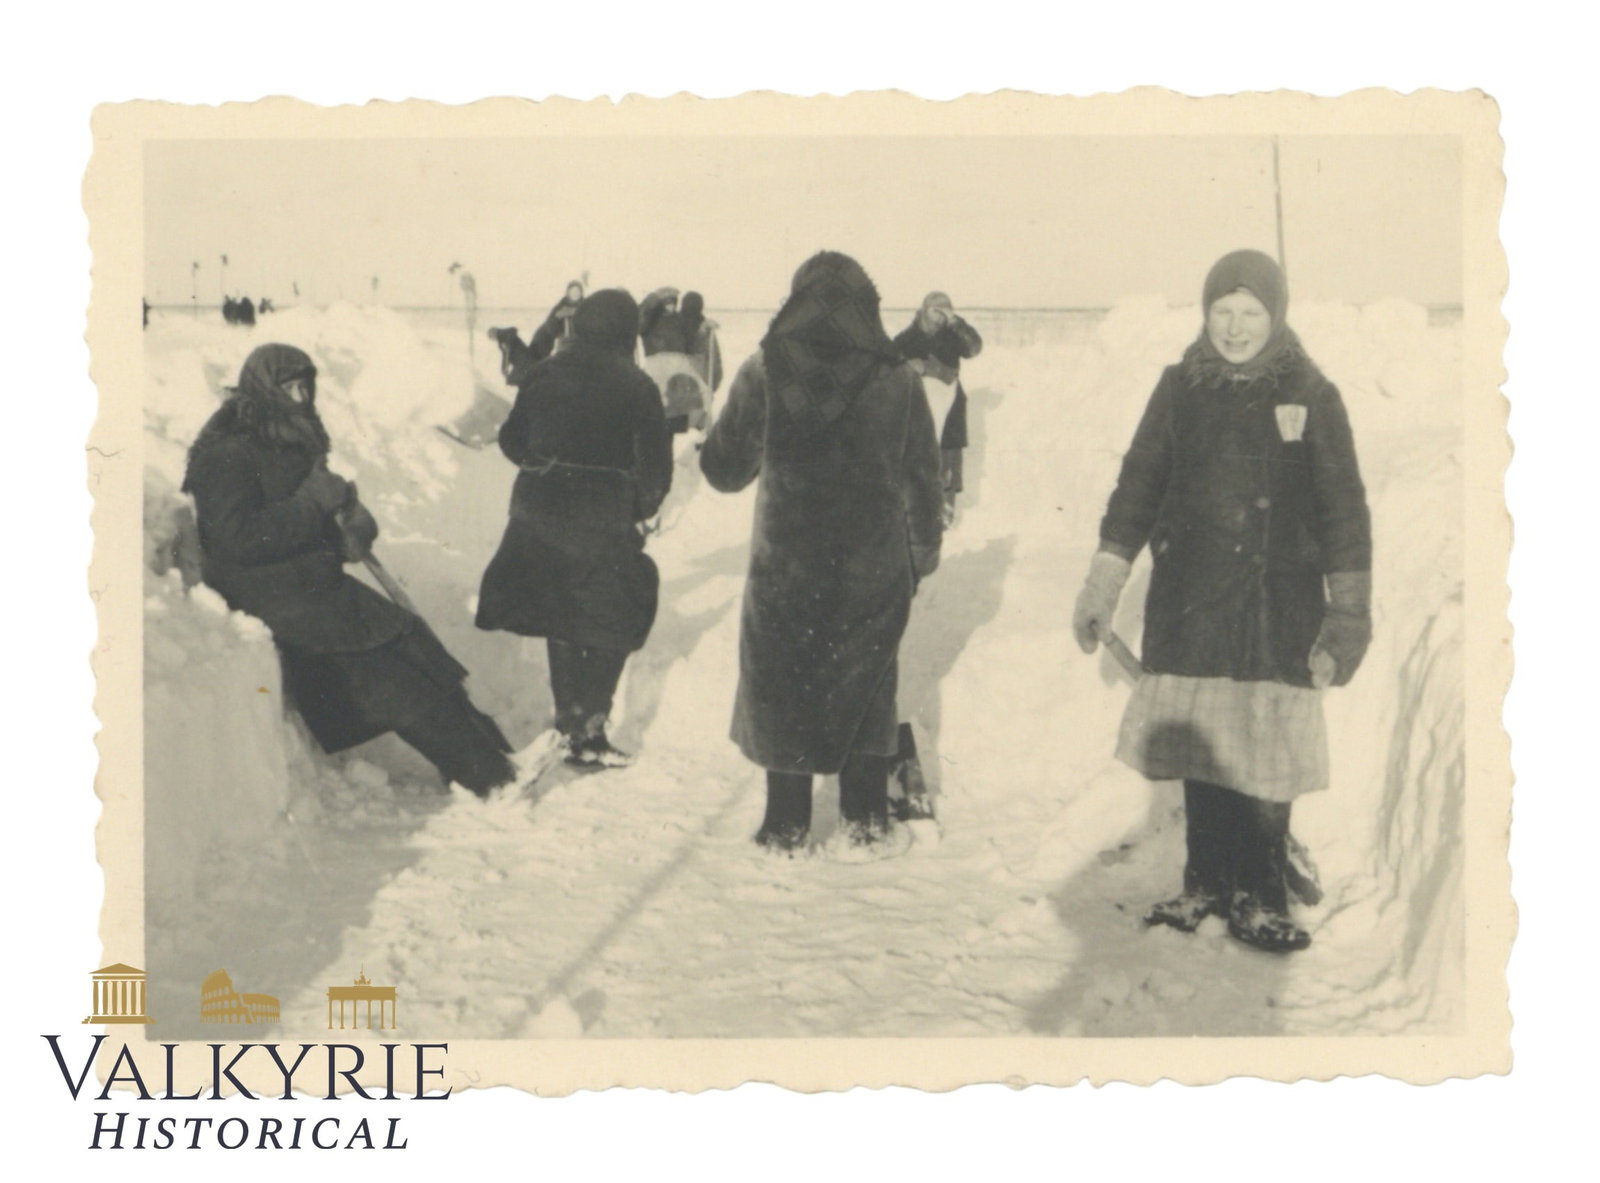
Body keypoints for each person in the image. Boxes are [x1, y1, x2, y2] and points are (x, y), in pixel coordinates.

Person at [1072, 249, 1372, 953]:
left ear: (1277, 315)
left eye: (1251, 315)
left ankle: (1261, 895)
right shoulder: (1179, 387)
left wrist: (1349, 612)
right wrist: (1103, 581)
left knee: (1266, 753)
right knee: (1203, 750)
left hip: (1277, 605)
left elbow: (1344, 510)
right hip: (1191, 602)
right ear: (1205, 313)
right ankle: (1205, 882)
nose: (1236, 329)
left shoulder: (1310, 390)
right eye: (1223, 313)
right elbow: (1137, 488)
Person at [183, 344, 521, 798]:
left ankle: (498, 756)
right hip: (276, 598)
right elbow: (235, 538)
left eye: (307, 385)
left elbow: (312, 508)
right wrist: (311, 507)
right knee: (394, 686)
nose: (302, 397)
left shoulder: (293, 435)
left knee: (417, 647)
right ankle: (491, 780)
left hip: (314, 585)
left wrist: (348, 520)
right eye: (290, 387)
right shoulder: (226, 453)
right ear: (263, 389)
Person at [700, 251, 944, 855]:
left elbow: (725, 471)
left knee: (783, 682)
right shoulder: (900, 379)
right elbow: (923, 484)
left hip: (785, 568)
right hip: (872, 567)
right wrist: (918, 559)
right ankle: (864, 824)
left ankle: (785, 826)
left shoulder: (764, 369)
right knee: (865, 681)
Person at [477, 289, 673, 767]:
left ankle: (569, 722)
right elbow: (656, 473)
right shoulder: (638, 385)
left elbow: (510, 440)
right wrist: (636, 507)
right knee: (614, 619)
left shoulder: (544, 373)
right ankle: (589, 729)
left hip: (539, 516)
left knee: (559, 615)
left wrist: (543, 467)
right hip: (603, 519)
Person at [892, 292, 983, 525]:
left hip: (950, 407)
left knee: (947, 457)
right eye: (936, 310)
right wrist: (910, 367)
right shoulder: (906, 340)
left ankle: (944, 510)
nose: (941, 315)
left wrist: (956, 322)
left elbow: (974, 348)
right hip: (917, 413)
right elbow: (887, 370)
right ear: (924, 309)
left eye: (946, 310)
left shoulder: (952, 335)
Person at [490, 280, 588, 388]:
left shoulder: (586, 305)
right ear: (568, 292)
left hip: (573, 340)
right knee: (536, 361)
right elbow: (550, 324)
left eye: (578, 290)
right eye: (573, 291)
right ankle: (512, 341)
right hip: (553, 338)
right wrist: (557, 316)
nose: (576, 293)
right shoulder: (562, 305)